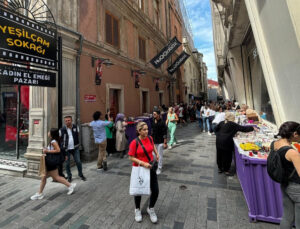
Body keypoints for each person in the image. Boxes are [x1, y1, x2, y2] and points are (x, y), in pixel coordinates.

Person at [30, 128, 76, 200]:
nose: (48, 132)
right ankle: (40, 193)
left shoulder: (53, 141)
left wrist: (47, 151)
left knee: (55, 177)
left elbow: (58, 150)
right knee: (46, 177)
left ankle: (70, 186)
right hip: (49, 162)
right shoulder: (55, 140)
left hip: (50, 162)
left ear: (51, 134)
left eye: (49, 131)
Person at [128, 122, 160, 223]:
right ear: (139, 131)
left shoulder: (150, 138)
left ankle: (150, 208)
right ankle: (137, 209)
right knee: (139, 190)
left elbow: (152, 146)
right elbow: (131, 157)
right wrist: (142, 163)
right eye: (144, 129)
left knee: (155, 190)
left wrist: (156, 153)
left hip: (150, 168)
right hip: (140, 169)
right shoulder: (134, 142)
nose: (147, 131)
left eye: (147, 129)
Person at [273, 122, 300, 229]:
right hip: (297, 188)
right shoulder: (292, 152)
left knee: (287, 217)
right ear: (295, 134)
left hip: (285, 184)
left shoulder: (275, 144)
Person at [60, 116, 86, 183]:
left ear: (71, 120)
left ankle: (81, 174)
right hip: (66, 149)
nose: (67, 122)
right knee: (67, 163)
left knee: (78, 161)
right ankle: (69, 176)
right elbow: (60, 138)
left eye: (69, 120)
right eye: (66, 121)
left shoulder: (75, 127)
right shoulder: (62, 129)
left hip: (75, 148)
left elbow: (77, 134)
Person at [151, 110, 168, 175]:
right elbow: (152, 131)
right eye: (153, 114)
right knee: (154, 155)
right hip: (154, 141)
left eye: (155, 114)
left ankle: (159, 167)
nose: (153, 115)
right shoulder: (153, 121)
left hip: (161, 142)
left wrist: (165, 142)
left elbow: (165, 133)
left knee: (160, 155)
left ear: (158, 114)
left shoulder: (162, 123)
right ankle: (155, 165)